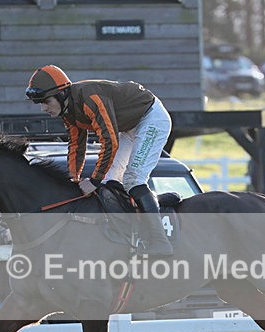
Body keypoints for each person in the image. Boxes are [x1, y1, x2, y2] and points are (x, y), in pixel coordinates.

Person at [26, 64, 173, 256]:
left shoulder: (90, 99)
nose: (44, 108)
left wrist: (93, 180)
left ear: (61, 94)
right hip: (128, 126)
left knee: (133, 179)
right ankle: (129, 235)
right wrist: (73, 179)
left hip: (151, 118)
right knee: (108, 182)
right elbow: (76, 147)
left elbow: (109, 141)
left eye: (46, 101)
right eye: (41, 104)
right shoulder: (67, 112)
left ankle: (160, 241)